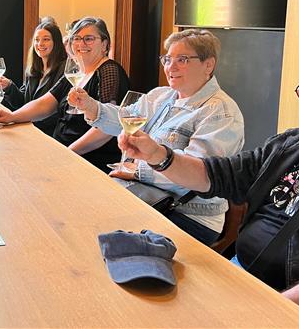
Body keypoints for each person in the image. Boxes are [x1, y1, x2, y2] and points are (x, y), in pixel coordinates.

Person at [117, 48, 299, 327]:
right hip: (241, 277)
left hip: (296, 311)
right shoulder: (292, 144)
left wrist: (260, 317)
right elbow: (220, 174)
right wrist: (158, 155)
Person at [69, 29, 245, 245]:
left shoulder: (221, 112)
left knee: (94, 234)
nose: (171, 67)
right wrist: (90, 106)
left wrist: (137, 171)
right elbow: (123, 119)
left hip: (187, 215)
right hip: (144, 197)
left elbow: (198, 177)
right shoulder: (160, 96)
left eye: (182, 59)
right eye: (167, 59)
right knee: (76, 209)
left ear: (208, 64)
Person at [0, 17, 129, 171]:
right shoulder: (77, 71)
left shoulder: (109, 70)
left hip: (89, 161)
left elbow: (107, 127)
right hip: (61, 151)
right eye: (77, 38)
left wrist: (69, 152)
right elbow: (45, 103)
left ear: (104, 44)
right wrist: (13, 116)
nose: (81, 44)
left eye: (89, 39)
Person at [0, 19, 67, 136]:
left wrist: (16, 118)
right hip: (28, 128)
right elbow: (22, 103)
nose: (40, 44)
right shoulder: (33, 69)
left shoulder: (64, 69)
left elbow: (56, 110)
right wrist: (9, 86)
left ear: (56, 42)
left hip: (49, 134)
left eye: (46, 39)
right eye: (36, 40)